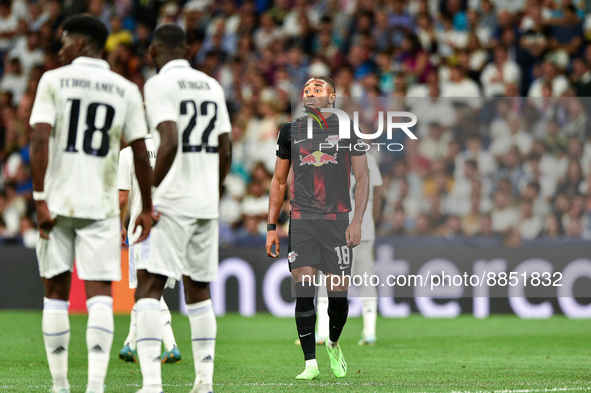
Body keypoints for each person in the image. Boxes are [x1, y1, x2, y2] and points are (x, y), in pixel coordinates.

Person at [29, 15, 153, 393]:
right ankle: (95, 387)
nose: (61, 48)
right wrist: (145, 206)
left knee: (56, 292)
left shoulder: (53, 79)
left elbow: (38, 138)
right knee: (99, 293)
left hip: (58, 200)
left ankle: (60, 385)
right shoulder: (126, 89)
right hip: (100, 204)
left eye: (65, 41)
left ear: (81, 44)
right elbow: (140, 151)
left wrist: (38, 199)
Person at [134, 24, 232, 393]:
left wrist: (149, 195)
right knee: (199, 290)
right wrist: (213, 189)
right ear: (187, 49)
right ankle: (204, 384)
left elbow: (170, 140)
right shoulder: (212, 85)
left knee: (149, 286)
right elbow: (226, 149)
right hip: (206, 201)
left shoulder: (158, 84)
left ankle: (152, 385)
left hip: (173, 200)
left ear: (153, 51)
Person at [266, 76, 369, 380]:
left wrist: (357, 221)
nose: (310, 92)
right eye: (307, 89)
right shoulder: (290, 131)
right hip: (302, 220)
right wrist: (272, 226)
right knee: (305, 289)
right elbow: (279, 180)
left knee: (338, 299)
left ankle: (334, 343)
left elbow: (362, 180)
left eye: (318, 89)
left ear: (332, 97)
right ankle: (310, 363)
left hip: (337, 223)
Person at [117, 134, 182, 364]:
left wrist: (120, 225)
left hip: (141, 228)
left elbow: (123, 197)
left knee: (147, 290)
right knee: (151, 290)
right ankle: (129, 344)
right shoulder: (172, 147)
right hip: (171, 229)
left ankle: (171, 344)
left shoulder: (127, 154)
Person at [316, 152, 383, 345]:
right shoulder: (368, 158)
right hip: (365, 227)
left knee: (328, 278)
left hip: (339, 227)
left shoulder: (332, 157)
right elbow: (378, 192)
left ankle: (322, 332)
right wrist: (372, 219)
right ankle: (369, 332)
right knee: (366, 280)